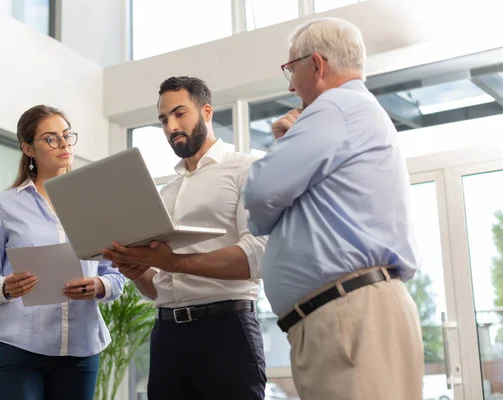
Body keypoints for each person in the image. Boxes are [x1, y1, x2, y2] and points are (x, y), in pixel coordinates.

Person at [243, 18, 424, 400]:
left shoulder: (334, 107)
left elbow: (260, 193)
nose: (291, 86)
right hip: (351, 312)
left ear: (318, 66)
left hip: (347, 315)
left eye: (292, 70)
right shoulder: (355, 112)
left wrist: (281, 149)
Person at [101, 76, 268, 400]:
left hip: (226, 330)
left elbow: (256, 256)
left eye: (180, 114)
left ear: (206, 111)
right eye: (164, 120)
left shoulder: (245, 168)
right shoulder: (167, 193)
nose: (171, 126)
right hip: (168, 335)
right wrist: (137, 270)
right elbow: (156, 285)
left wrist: (173, 262)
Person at [0, 105, 126, 400]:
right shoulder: (3, 205)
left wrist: (99, 286)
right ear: (28, 148)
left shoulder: (96, 204)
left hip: (81, 349)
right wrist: (4, 286)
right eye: (51, 138)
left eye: (66, 136)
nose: (64, 144)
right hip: (18, 349)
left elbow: (116, 275)